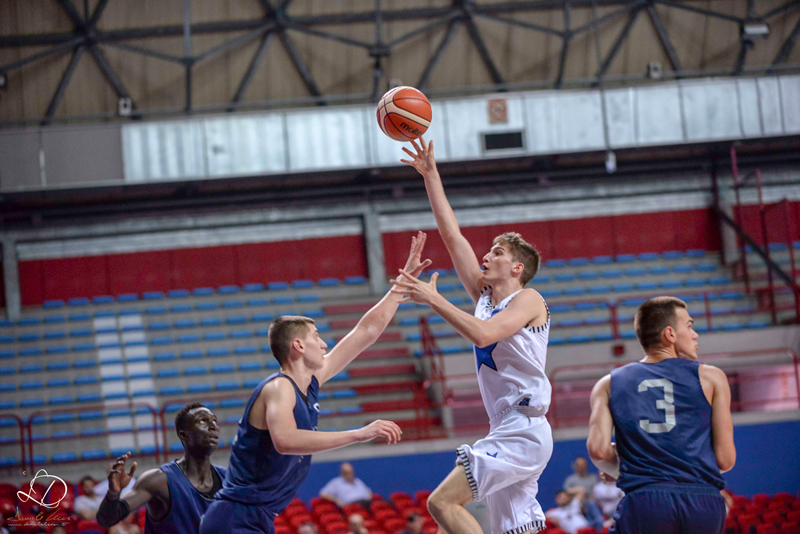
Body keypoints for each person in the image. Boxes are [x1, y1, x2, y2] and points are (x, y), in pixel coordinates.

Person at [200, 233, 432, 534]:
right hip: (236, 517)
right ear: (298, 345)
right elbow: (285, 441)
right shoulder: (279, 388)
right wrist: (358, 434)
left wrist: (400, 286)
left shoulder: (308, 383)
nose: (324, 345)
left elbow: (365, 332)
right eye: (316, 338)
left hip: (256, 517)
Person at [397, 138, 552, 534]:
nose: (488, 254)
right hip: (506, 427)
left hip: (524, 427)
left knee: (441, 502)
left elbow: (484, 335)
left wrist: (434, 299)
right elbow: (452, 237)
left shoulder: (529, 298)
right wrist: (431, 175)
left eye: (498, 252)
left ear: (517, 267)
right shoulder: (485, 297)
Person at [586, 297, 736, 534]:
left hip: (646, 501)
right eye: (689, 325)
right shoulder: (712, 377)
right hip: (703, 503)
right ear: (670, 334)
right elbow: (725, 460)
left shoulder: (608, 383)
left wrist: (620, 469)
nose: (695, 334)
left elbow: (598, 451)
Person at [96, 402, 228, 533]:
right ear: (183, 435)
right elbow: (106, 520)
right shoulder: (158, 480)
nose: (213, 426)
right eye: (203, 421)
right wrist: (113, 493)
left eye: (215, 421)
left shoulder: (229, 479)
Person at [563, 456, 603, 531]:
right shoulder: (570, 480)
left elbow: (598, 492)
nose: (581, 467)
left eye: (583, 464)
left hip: (591, 508)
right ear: (575, 466)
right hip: (577, 509)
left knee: (592, 504)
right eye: (579, 465)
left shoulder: (593, 478)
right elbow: (566, 493)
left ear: (586, 465)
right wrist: (579, 491)